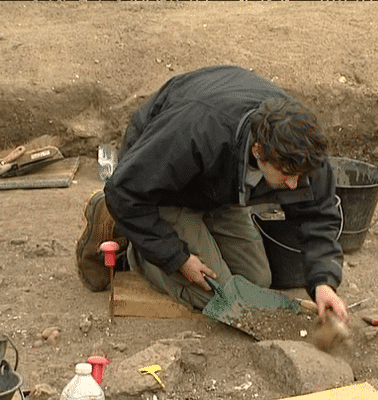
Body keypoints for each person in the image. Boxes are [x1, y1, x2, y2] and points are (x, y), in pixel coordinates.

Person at [76, 65, 347, 322]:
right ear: (258, 152)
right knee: (221, 295)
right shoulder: (195, 132)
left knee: (257, 282)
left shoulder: (301, 149)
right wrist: (177, 258)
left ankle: (171, 232)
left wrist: (323, 282)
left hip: (217, 186)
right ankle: (131, 242)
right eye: (286, 176)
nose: (293, 185)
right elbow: (125, 190)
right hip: (158, 184)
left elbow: (319, 215)